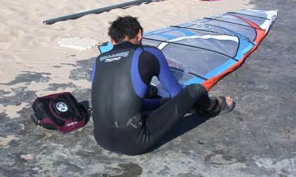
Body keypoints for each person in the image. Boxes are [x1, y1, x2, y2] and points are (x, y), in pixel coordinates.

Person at [91, 16, 235, 155]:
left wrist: (159, 103)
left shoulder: (98, 60)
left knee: (144, 98)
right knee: (195, 90)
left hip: (101, 139)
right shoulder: (149, 53)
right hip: (135, 143)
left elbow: (116, 99)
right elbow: (177, 94)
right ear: (139, 34)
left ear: (112, 40)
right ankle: (214, 106)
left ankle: (159, 104)